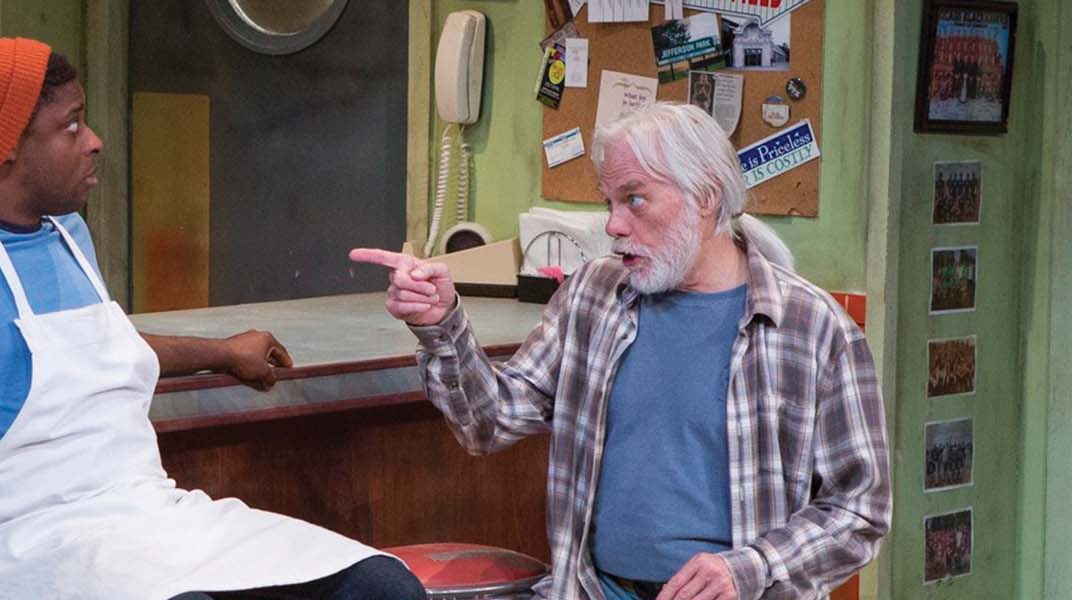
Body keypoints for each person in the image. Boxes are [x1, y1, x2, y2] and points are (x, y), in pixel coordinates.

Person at [0, 33, 427, 600]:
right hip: (27, 551)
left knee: (379, 585)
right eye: (71, 126)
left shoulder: (66, 234)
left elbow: (97, 347)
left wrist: (220, 351)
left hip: (145, 515)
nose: (93, 141)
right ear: (6, 147)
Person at [350, 103, 890, 600]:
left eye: (634, 199)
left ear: (706, 197)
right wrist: (441, 322)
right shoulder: (593, 295)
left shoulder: (812, 328)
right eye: (608, 202)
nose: (612, 225)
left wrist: (749, 568)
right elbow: (489, 421)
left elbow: (860, 509)